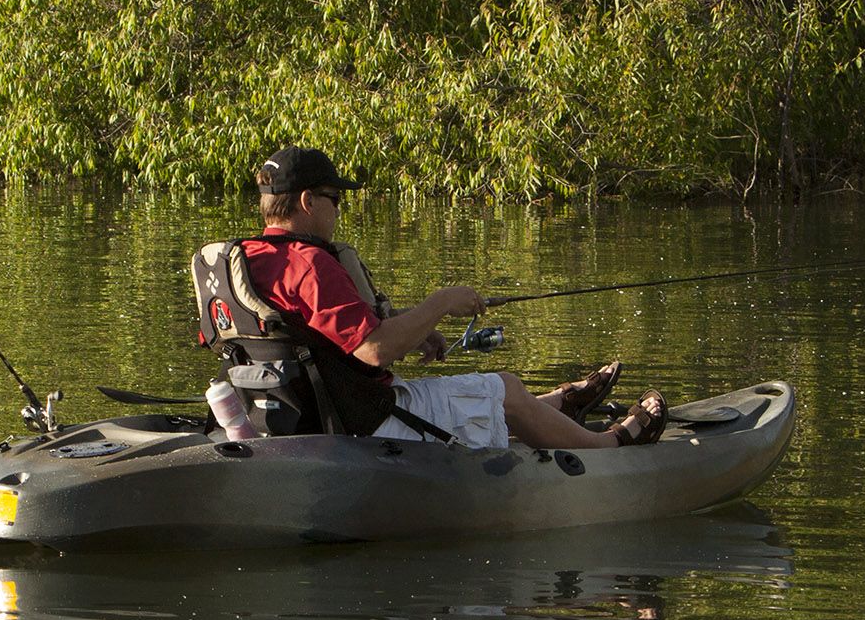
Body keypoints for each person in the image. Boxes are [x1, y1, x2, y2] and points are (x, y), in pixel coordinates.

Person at [241, 144, 667, 450]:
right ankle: (608, 445)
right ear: (307, 201)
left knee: (495, 395)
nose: (338, 209)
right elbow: (373, 350)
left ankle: (556, 408)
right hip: (368, 422)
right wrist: (442, 302)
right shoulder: (309, 264)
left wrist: (418, 329)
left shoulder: (245, 261)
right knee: (506, 389)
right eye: (335, 199)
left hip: (303, 419)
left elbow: (312, 337)